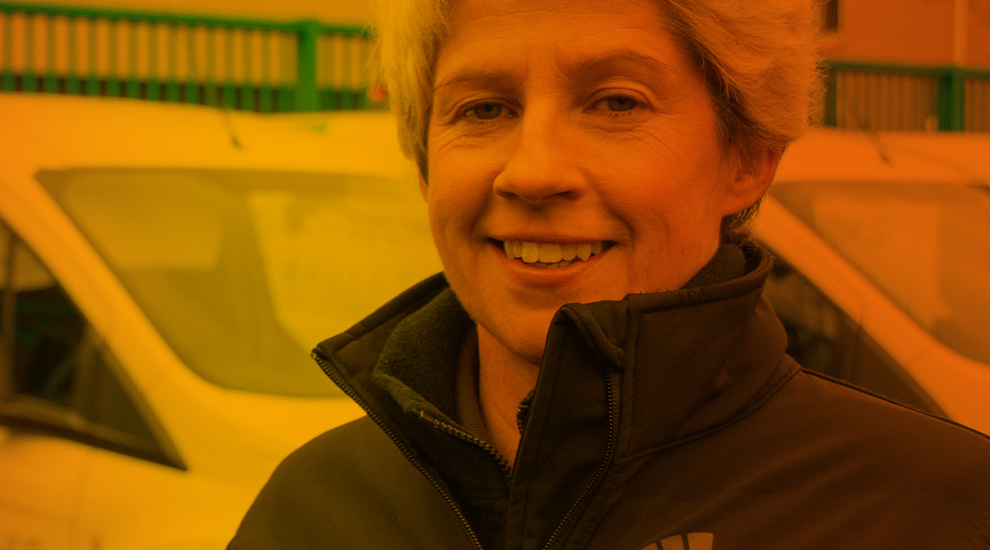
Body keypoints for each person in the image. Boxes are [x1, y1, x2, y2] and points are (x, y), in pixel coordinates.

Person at [230, 0, 990, 548]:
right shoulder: (311, 512)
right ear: (425, 157)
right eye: (484, 108)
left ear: (748, 158)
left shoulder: (931, 512)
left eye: (615, 102)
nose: (532, 172)